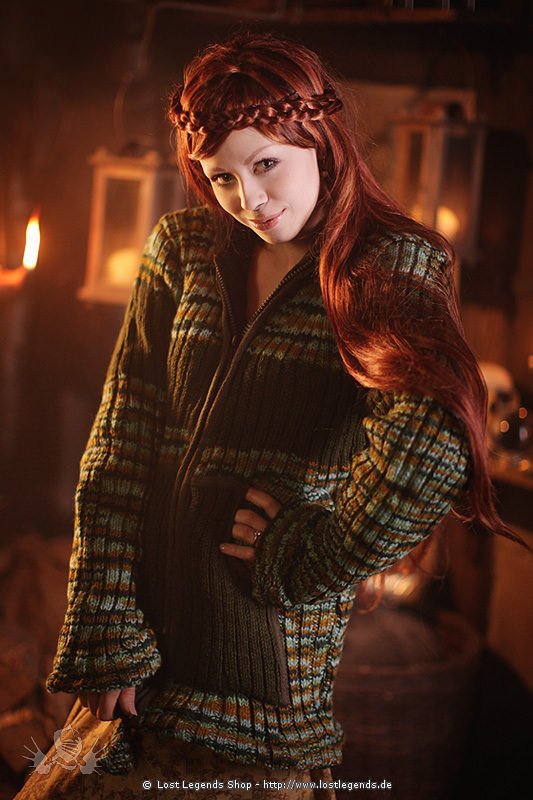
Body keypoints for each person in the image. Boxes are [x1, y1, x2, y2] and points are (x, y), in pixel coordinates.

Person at [16, 31, 525, 800]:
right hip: (135, 668)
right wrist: (103, 624)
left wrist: (309, 554)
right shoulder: (182, 249)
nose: (246, 200)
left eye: (264, 165)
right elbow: (118, 445)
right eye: (220, 175)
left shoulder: (386, 263)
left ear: (320, 142)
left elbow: (429, 449)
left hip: (257, 687)